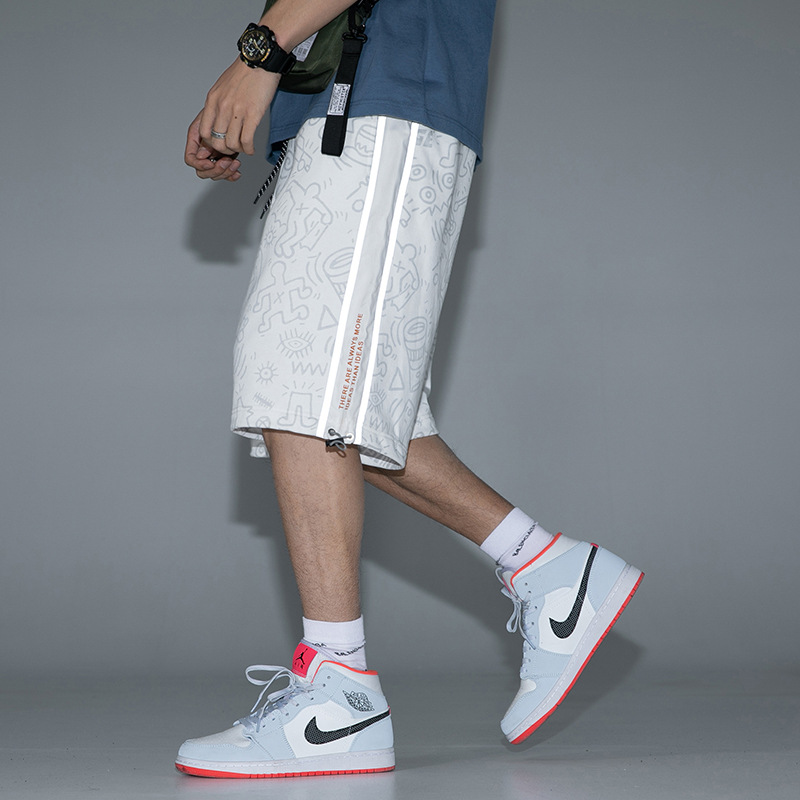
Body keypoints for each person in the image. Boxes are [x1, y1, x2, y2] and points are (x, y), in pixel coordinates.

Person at [176, 0, 642, 779]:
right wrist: (272, 87)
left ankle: (340, 694)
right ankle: (548, 570)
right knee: (336, 398)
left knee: (311, 388)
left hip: (378, 106)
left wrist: (261, 52)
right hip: (348, 111)